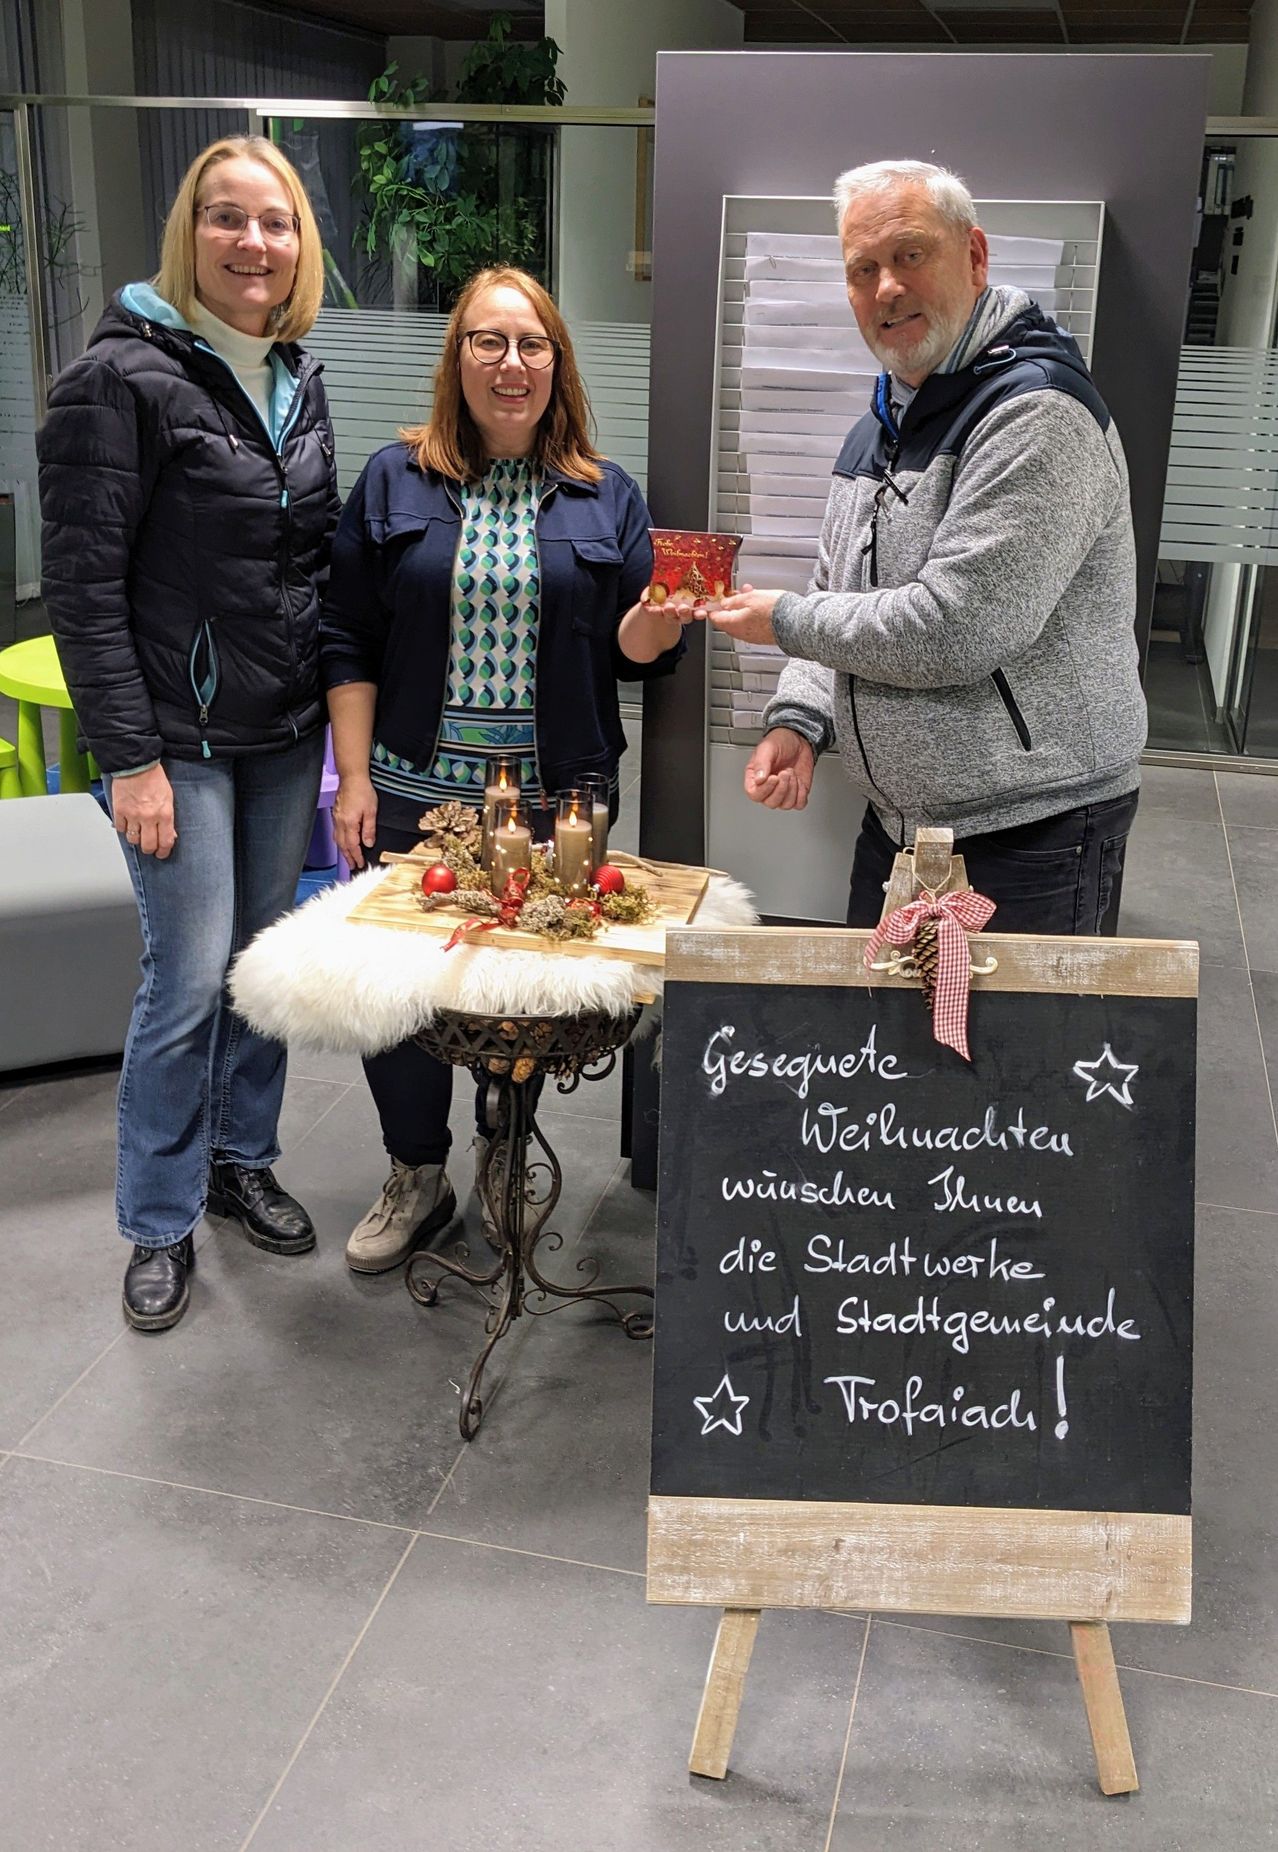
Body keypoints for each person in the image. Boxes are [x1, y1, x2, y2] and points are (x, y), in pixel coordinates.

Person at [321, 265, 686, 1275]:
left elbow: (634, 652)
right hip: (413, 789)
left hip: (555, 800)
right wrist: (352, 780)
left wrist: (656, 622)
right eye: (488, 341)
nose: (510, 362)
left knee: (523, 994)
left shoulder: (603, 494)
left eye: (531, 344)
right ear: (459, 358)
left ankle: (505, 1149)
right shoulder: (395, 480)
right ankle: (416, 1170)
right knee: (396, 995)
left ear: (557, 364)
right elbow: (345, 636)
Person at [38, 135, 339, 1331]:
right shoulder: (116, 378)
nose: (252, 243)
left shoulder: (293, 373)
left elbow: (301, 558)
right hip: (176, 740)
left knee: (260, 970)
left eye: (274, 223)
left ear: (298, 245)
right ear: (191, 232)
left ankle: (240, 1160)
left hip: (280, 730)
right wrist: (129, 759)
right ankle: (157, 1217)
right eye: (228, 218)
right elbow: (82, 587)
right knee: (186, 976)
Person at [712, 159, 1146, 933]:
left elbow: (957, 629)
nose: (887, 288)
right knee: (882, 1053)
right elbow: (832, 595)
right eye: (864, 269)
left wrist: (783, 621)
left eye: (911, 255)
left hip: (1032, 839)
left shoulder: (1035, 416)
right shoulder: (884, 420)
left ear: (974, 257)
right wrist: (799, 720)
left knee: (1013, 1059)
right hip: (903, 833)